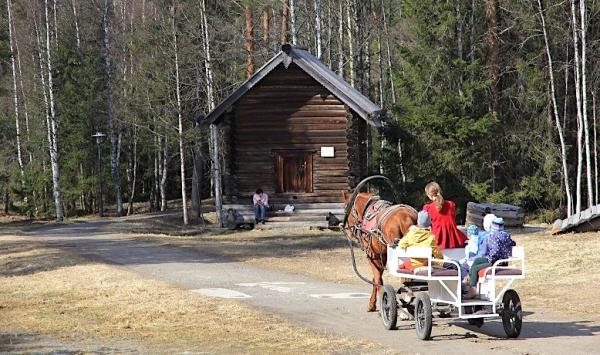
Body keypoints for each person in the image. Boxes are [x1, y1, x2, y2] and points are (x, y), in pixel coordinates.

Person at [464, 217, 516, 298]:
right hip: (503, 261)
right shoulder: (506, 235)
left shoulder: (493, 236)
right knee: (478, 260)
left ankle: (473, 289)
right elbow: (513, 243)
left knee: (475, 268)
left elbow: (495, 251)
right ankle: (470, 278)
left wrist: (490, 259)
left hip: (495, 262)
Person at [422, 182, 467, 249]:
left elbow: (425, 225)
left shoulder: (427, 208)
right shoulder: (451, 204)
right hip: (454, 238)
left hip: (437, 240)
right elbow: (453, 218)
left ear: (429, 195)